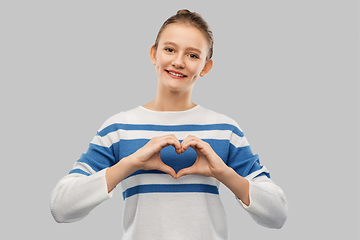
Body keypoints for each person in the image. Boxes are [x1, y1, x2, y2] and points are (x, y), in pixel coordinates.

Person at [50, 9, 288, 240]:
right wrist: (131, 163)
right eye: (170, 49)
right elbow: (61, 207)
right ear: (154, 54)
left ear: (206, 67)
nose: (178, 61)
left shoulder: (225, 130)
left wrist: (224, 173)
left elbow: (277, 214)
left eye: (193, 55)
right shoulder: (118, 128)